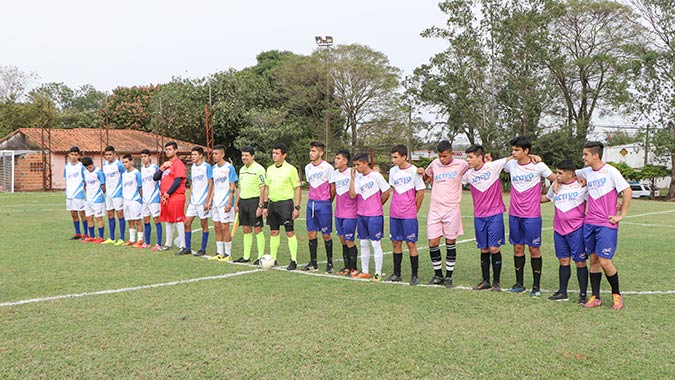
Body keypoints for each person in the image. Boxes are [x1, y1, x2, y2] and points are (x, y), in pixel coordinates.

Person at [575, 141, 631, 310]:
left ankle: (616, 295)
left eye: (585, 154)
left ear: (595, 155)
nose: (583, 157)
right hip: (589, 222)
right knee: (593, 259)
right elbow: (569, 172)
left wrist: (621, 214)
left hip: (606, 223)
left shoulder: (611, 171)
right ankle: (596, 297)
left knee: (605, 261)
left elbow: (627, 190)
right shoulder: (586, 171)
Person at [503, 136, 556, 297]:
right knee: (517, 247)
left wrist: (548, 197)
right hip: (514, 214)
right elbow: (496, 166)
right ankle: (519, 284)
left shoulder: (538, 165)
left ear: (526, 151)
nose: (514, 152)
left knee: (534, 248)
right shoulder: (511, 164)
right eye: (512, 149)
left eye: (517, 150)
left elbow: (556, 179)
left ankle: (536, 287)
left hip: (532, 215)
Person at [420, 140, 468, 288]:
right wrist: (422, 172)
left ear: (452, 153)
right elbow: (426, 178)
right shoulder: (434, 164)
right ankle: (438, 275)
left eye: (445, 156)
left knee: (450, 242)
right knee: (433, 242)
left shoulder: (462, 165)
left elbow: (477, 167)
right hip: (435, 209)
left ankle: (448, 276)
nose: (442, 159)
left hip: (451, 209)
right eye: (440, 156)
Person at [541, 159, 589, 303]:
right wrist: (527, 197)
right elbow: (545, 198)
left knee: (580, 262)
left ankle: (583, 294)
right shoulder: (556, 186)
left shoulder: (582, 186)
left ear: (570, 174)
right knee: (563, 261)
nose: (557, 175)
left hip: (576, 229)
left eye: (560, 173)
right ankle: (562, 292)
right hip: (559, 230)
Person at [462, 145, 508, 292]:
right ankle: (485, 281)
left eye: (470, 157)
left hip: (495, 214)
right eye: (467, 157)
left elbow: (514, 157)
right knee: (483, 249)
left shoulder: (493, 167)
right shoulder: (468, 175)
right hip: (479, 216)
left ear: (480, 157)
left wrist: (534, 158)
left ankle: (496, 282)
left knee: (494, 248)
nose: (467, 160)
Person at [385, 145, 425, 286]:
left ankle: (415, 275)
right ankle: (397, 274)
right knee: (396, 242)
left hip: (409, 214)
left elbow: (420, 192)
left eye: (396, 157)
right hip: (394, 212)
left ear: (404, 157)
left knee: (411, 243)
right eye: (393, 157)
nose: (393, 160)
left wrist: (414, 210)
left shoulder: (414, 171)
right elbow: (394, 190)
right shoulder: (393, 171)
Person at [349, 153, 390, 281]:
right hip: (361, 215)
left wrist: (378, 205)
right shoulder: (358, 178)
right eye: (354, 165)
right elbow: (352, 195)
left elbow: (386, 192)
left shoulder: (376, 176)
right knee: (363, 243)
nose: (356, 167)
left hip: (374, 215)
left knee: (375, 244)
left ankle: (378, 273)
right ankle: (365, 271)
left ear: (365, 163)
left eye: (358, 165)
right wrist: (352, 178)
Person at [261, 143, 302, 270]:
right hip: (273, 204)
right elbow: (267, 188)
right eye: (273, 153)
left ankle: (294, 260)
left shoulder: (291, 169)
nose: (274, 155)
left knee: (289, 232)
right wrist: (265, 206)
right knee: (274, 232)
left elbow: (298, 188)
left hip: (286, 204)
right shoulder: (270, 169)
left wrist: (297, 207)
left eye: (277, 153)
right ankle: (273, 259)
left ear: (284, 155)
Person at [302, 141, 335, 273]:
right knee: (311, 233)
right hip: (311, 203)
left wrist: (327, 201)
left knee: (326, 234)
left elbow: (333, 187)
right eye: (310, 150)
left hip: (324, 203)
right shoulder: (307, 167)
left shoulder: (328, 168)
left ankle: (330, 262)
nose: (311, 153)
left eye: (314, 151)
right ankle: (313, 263)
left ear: (320, 153)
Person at [233, 146, 267, 264]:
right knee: (246, 229)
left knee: (257, 229)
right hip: (243, 202)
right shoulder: (242, 169)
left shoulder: (259, 169)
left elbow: (263, 188)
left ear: (252, 156)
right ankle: (246, 256)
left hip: (254, 202)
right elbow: (240, 187)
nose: (244, 158)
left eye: (247, 155)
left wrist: (261, 205)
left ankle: (260, 257)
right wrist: (237, 203)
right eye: (243, 155)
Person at [153, 142, 187, 252]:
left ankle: (183, 245)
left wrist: (168, 193)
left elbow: (178, 181)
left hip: (175, 196)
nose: (168, 151)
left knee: (178, 220)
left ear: (176, 150)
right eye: (166, 149)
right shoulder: (166, 164)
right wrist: (162, 168)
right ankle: (168, 244)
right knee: (168, 220)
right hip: (165, 197)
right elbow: (155, 177)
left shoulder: (178, 164)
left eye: (170, 149)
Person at [330, 150, 359, 276]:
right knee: (342, 239)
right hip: (338, 212)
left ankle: (354, 268)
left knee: (349, 239)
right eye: (335, 158)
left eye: (338, 158)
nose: (335, 160)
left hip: (350, 212)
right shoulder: (335, 174)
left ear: (345, 161)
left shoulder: (353, 172)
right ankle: (346, 267)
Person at [181, 146, 213, 256]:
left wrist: (208, 201)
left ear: (200, 155)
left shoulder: (207, 167)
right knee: (186, 222)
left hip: (203, 200)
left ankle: (203, 249)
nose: (192, 157)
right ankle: (187, 248)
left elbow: (210, 184)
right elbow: (193, 183)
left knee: (204, 224)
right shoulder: (193, 167)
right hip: (194, 201)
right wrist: (190, 197)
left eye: (195, 155)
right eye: (192, 155)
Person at [208, 144, 238, 261]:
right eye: (213, 154)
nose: (214, 156)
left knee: (225, 227)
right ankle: (219, 252)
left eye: (216, 153)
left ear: (223, 154)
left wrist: (229, 201)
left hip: (225, 201)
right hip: (216, 202)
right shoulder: (213, 168)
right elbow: (214, 185)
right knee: (216, 226)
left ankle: (228, 253)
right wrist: (210, 200)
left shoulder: (229, 168)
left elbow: (232, 185)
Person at [101, 146, 126, 246]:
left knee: (120, 214)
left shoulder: (119, 165)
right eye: (106, 155)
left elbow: (125, 176)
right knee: (110, 214)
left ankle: (122, 238)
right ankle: (111, 238)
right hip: (108, 194)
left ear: (114, 154)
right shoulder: (105, 165)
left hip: (118, 193)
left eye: (110, 154)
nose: (108, 156)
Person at [140, 149, 163, 250]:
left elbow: (161, 182)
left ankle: (158, 243)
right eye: (142, 157)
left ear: (150, 157)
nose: (143, 159)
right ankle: (147, 242)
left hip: (154, 198)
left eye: (145, 156)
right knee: (146, 220)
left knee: (156, 220)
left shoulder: (155, 168)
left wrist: (161, 195)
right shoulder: (142, 169)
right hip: (145, 199)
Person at [81, 156, 106, 244]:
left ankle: (101, 237)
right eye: (87, 168)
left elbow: (103, 185)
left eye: (90, 167)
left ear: (93, 164)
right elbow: (85, 182)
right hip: (88, 198)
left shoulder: (98, 172)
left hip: (97, 199)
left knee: (98, 218)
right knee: (89, 217)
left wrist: (101, 194)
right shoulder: (85, 172)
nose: (89, 169)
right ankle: (91, 236)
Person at [64, 146, 87, 240]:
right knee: (73, 213)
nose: (73, 156)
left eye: (75, 155)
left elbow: (86, 179)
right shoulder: (67, 166)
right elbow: (66, 179)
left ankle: (86, 233)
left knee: (82, 213)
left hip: (79, 193)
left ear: (79, 155)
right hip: (69, 194)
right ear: (69, 155)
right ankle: (77, 233)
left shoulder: (81, 166)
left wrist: (83, 189)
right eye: (72, 154)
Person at [121, 154, 144, 247]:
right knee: (130, 220)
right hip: (126, 200)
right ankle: (132, 239)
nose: (125, 164)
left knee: (138, 220)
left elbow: (140, 187)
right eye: (123, 162)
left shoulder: (136, 173)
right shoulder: (123, 174)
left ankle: (140, 239)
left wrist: (140, 199)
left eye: (126, 162)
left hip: (135, 200)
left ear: (131, 161)